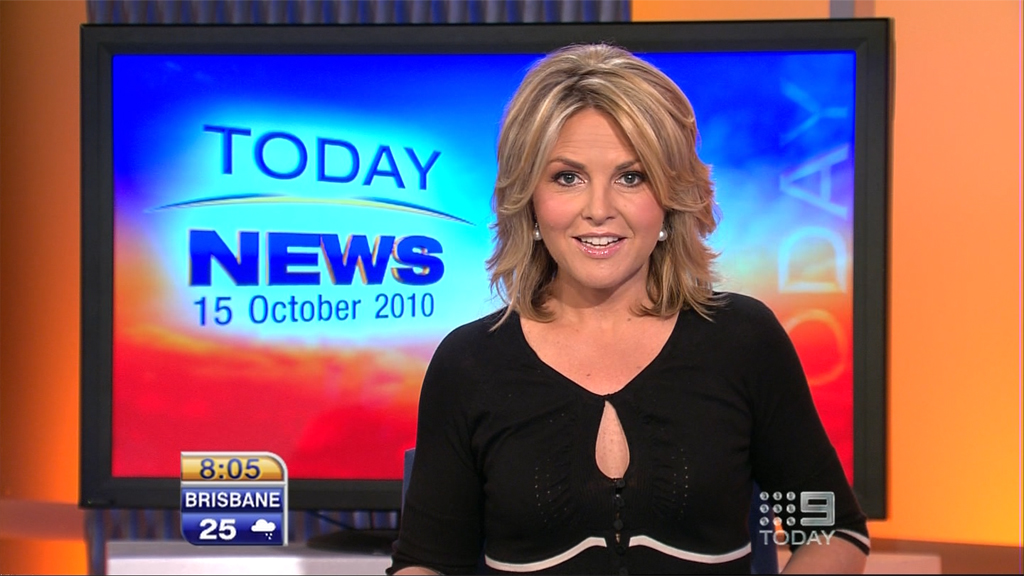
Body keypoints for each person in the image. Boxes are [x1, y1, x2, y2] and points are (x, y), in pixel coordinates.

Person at [389, 43, 869, 575]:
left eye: (631, 177)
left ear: (670, 196)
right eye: (567, 177)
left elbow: (828, 530)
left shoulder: (742, 341)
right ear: (529, 199)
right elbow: (426, 563)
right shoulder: (469, 364)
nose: (599, 210)